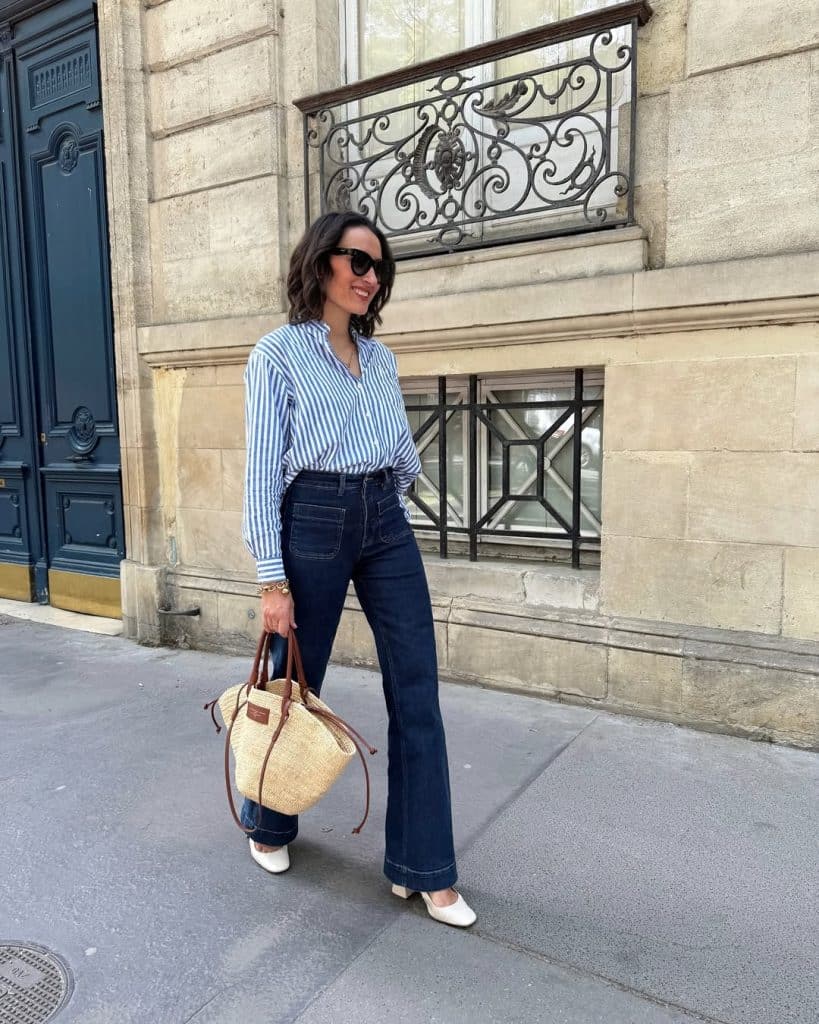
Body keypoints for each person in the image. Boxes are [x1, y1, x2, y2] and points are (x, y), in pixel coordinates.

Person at [240, 211, 476, 928]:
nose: (371, 278)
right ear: (321, 263)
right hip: (311, 514)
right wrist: (271, 579)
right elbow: (260, 475)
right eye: (359, 261)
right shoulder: (277, 354)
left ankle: (423, 868)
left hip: (383, 518)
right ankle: (267, 822)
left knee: (417, 685)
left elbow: (399, 448)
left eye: (379, 268)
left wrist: (402, 496)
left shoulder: (381, 359)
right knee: (294, 679)